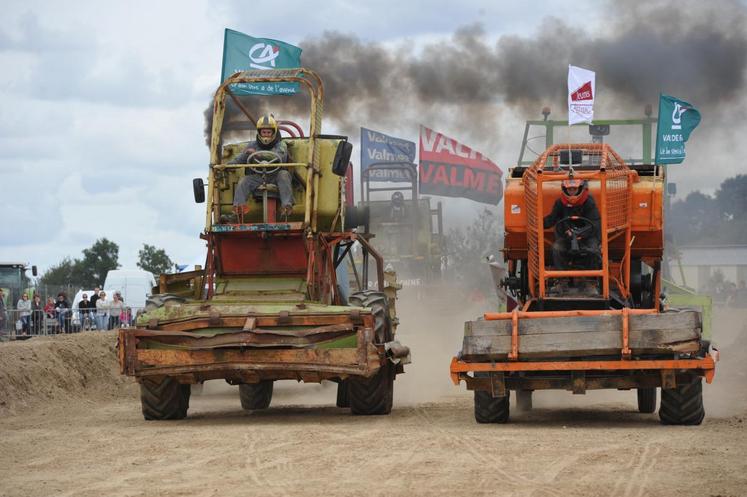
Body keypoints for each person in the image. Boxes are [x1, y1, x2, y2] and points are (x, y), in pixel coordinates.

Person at [230, 114, 293, 220]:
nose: (266, 135)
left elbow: (281, 156)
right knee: (244, 181)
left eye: (269, 132)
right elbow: (241, 157)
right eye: (264, 132)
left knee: (284, 174)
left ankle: (286, 207)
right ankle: (238, 211)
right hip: (258, 177)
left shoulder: (281, 145)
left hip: (276, 176)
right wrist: (228, 165)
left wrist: (258, 154)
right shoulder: (252, 145)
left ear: (274, 133)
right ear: (259, 132)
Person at [543, 178, 601, 271]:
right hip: (566, 238)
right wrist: (537, 222)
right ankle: (562, 278)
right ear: (565, 189)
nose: (572, 192)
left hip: (587, 237)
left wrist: (578, 233)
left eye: (574, 189)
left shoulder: (589, 202)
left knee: (593, 250)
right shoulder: (560, 203)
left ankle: (590, 278)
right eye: (570, 189)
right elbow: (552, 219)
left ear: (580, 188)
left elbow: (594, 224)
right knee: (557, 248)